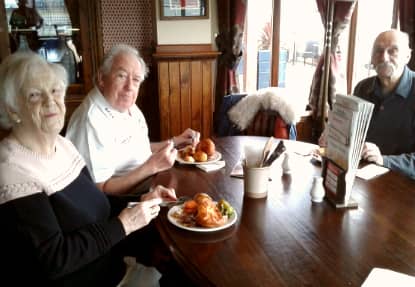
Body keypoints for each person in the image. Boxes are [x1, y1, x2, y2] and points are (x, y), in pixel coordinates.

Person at [0, 51, 178, 286]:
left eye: (54, 91)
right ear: (13, 110)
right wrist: (125, 225)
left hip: (116, 265)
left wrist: (143, 200)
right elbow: (55, 259)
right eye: (34, 95)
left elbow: (99, 208)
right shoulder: (12, 170)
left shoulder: (62, 146)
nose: (50, 101)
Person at [65, 44, 200, 195]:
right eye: (121, 76)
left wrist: (175, 142)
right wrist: (152, 166)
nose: (129, 87)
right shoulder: (91, 121)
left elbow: (137, 149)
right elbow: (100, 192)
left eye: (136, 80)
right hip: (122, 204)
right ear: (101, 78)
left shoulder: (126, 105)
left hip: (151, 183)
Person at [320, 29, 415, 180]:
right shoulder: (362, 88)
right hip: (362, 179)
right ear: (371, 57)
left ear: (407, 56)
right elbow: (350, 133)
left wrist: (384, 160)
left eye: (393, 51)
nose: (384, 57)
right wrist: (333, 138)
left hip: (404, 188)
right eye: (378, 51)